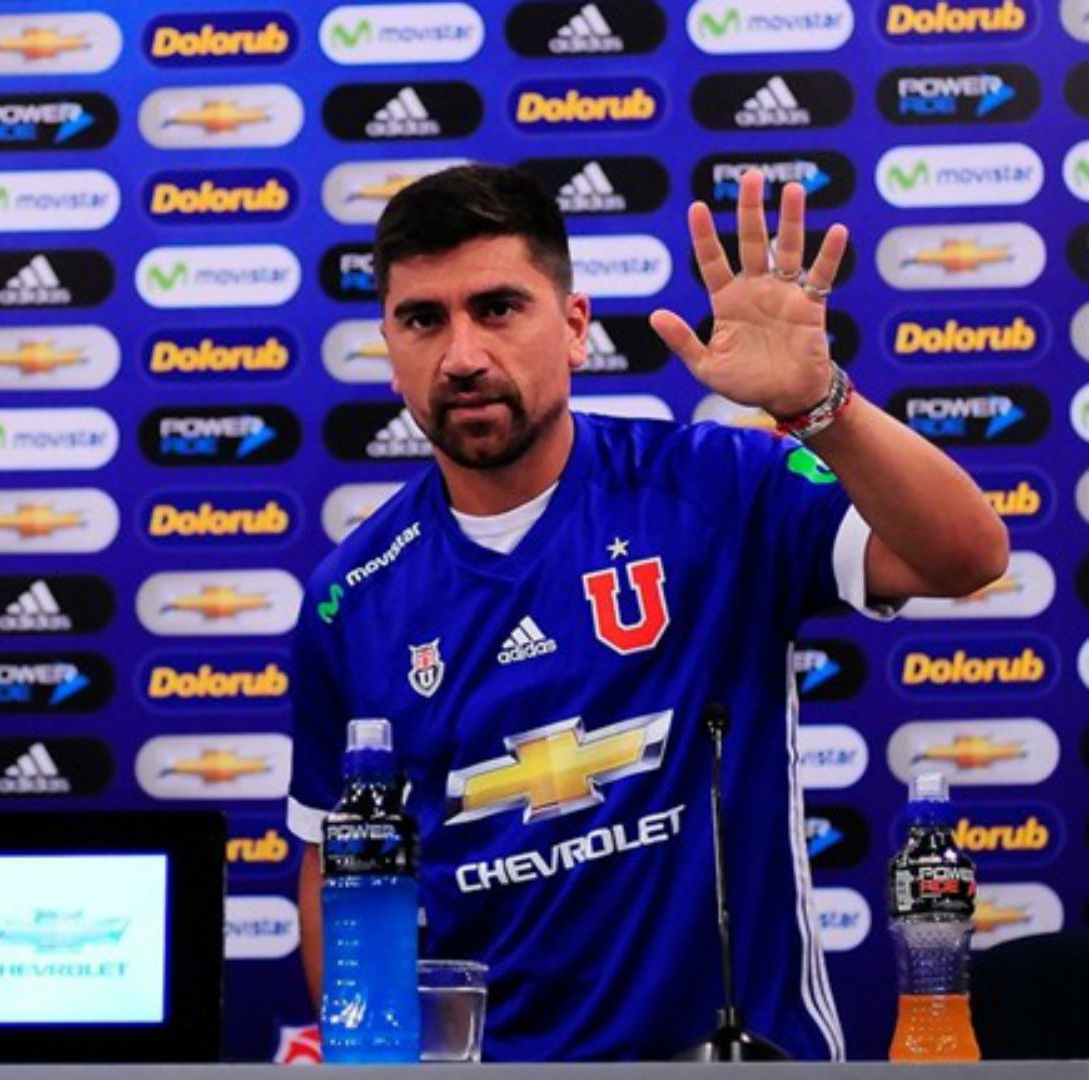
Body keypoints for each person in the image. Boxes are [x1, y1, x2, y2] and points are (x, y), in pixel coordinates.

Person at [287, 164, 1007, 1061]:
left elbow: (967, 556)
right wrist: (372, 1051)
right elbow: (334, 864)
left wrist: (819, 406)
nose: (462, 354)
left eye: (499, 308)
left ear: (577, 329)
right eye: (423, 320)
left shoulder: (717, 487)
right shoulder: (349, 598)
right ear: (389, 349)